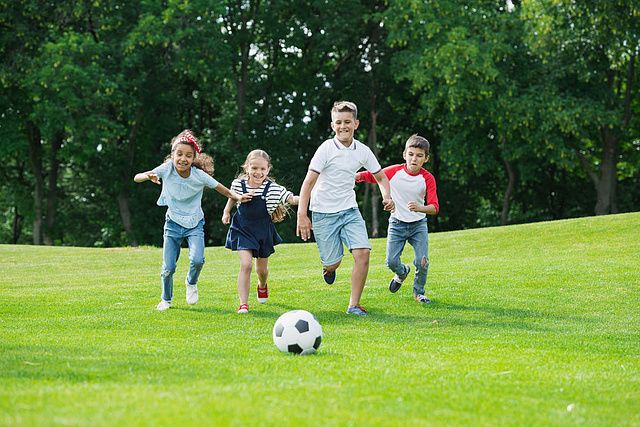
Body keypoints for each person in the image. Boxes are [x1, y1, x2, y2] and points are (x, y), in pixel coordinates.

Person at [134, 129, 250, 311]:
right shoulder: (166, 169)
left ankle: (191, 282)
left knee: (197, 260)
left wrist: (237, 197)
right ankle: (166, 299)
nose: (183, 159)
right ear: (172, 155)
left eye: (188, 156)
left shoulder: (198, 175)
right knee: (168, 268)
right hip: (172, 224)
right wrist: (148, 176)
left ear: (194, 158)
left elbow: (222, 189)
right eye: (179, 154)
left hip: (195, 224)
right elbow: (137, 177)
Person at [296, 100, 394, 316]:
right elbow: (308, 183)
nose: (343, 126)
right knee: (334, 263)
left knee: (363, 253)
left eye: (347, 122)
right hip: (323, 213)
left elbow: (381, 177)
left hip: (349, 210)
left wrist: (387, 196)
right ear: (333, 126)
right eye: (338, 122)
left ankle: (354, 305)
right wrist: (302, 214)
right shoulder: (326, 149)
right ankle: (328, 267)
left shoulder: (363, 151)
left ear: (356, 124)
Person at [356, 134, 439, 304]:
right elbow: (373, 176)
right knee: (391, 261)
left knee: (422, 261)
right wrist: (355, 176)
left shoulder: (427, 178)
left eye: (419, 156)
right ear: (404, 154)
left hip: (418, 225)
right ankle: (402, 272)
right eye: (411, 154)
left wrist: (419, 208)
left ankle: (419, 293)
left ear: (426, 159)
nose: (414, 159)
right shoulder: (394, 171)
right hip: (397, 224)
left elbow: (434, 207)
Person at [223, 149, 299, 314]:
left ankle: (262, 285)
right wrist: (226, 211)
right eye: (254, 168)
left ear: (268, 169)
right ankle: (243, 304)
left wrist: (310, 198)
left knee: (261, 270)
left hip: (263, 231)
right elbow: (232, 196)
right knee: (245, 264)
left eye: (262, 169)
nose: (258, 172)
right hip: (242, 228)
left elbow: (291, 199)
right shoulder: (238, 184)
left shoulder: (273, 189)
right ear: (247, 167)